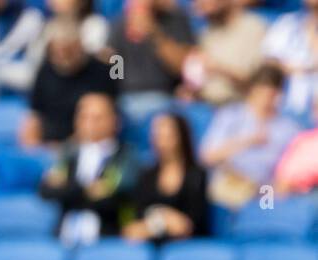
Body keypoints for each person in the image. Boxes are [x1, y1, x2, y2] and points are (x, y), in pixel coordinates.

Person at [39, 91, 139, 246]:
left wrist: (68, 188)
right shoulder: (68, 153)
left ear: (115, 121)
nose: (88, 123)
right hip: (65, 236)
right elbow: (46, 190)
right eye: (83, 117)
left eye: (96, 118)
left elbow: (118, 195)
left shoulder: (126, 155)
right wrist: (87, 190)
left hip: (107, 238)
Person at [199, 63, 299, 209]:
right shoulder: (230, 116)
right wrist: (248, 141)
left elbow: (292, 169)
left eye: (271, 94)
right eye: (261, 92)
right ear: (252, 90)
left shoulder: (288, 128)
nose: (266, 100)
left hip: (266, 190)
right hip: (231, 184)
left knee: (271, 203)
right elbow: (207, 157)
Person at [22, 18, 118, 147]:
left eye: (67, 50)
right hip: (48, 142)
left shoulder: (100, 72)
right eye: (57, 51)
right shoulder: (45, 71)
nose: (62, 56)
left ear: (79, 46)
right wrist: (32, 145)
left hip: (82, 144)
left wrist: (65, 149)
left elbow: (97, 122)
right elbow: (34, 115)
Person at [124, 111, 209, 242]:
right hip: (151, 247)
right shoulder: (146, 176)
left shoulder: (197, 176)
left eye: (167, 136)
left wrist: (155, 221)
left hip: (190, 249)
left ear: (181, 136)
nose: (161, 142)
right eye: (157, 136)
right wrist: (165, 220)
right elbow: (135, 227)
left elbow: (187, 226)